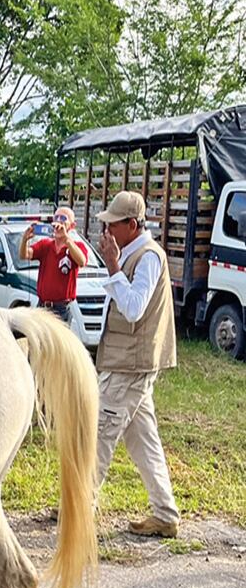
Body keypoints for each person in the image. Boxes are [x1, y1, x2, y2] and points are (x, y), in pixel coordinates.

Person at [95, 191, 180, 538]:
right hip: (129, 363)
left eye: (112, 225)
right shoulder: (135, 252)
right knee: (143, 441)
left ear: (132, 225)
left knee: (99, 433)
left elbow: (133, 309)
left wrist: (114, 268)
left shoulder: (147, 258)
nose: (106, 232)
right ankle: (165, 513)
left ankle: (78, 508)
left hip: (130, 366)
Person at [18, 207, 88, 321]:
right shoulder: (45, 245)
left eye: (63, 219)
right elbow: (24, 255)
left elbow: (82, 261)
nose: (58, 223)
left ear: (72, 225)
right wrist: (25, 240)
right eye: (56, 218)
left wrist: (66, 239)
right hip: (42, 306)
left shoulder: (76, 246)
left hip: (61, 309)